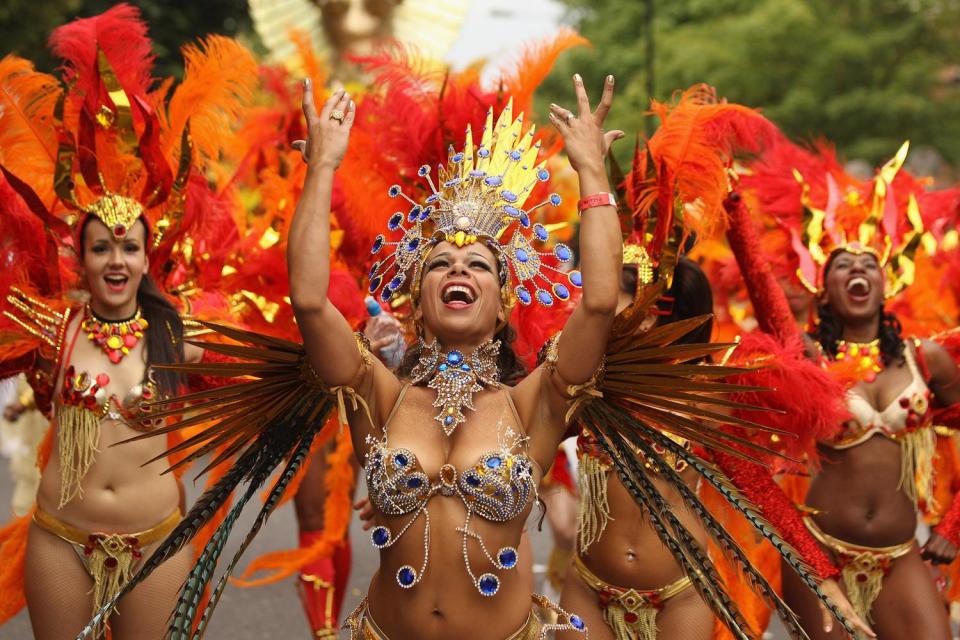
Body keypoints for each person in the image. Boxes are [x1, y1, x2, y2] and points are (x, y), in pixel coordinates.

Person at [286, 70, 623, 638]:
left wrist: (591, 172)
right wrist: (321, 168)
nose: (458, 268)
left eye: (478, 265)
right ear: (418, 299)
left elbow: (600, 303)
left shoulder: (534, 404)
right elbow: (309, 301)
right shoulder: (379, 396)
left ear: (502, 306)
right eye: (439, 262)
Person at [0, 6, 257, 637]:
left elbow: (285, 368)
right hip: (61, 540)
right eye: (101, 248)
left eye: (129, 247)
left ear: (148, 256)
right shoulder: (48, 329)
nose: (116, 259)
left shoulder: (182, 336)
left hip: (156, 543)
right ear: (80, 258)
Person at [740, 138, 960, 639]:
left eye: (868, 264)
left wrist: (952, 527)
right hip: (821, 553)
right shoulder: (811, 358)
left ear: (887, 283)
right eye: (842, 264)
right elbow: (761, 287)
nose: (857, 269)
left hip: (901, 552)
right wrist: (735, 209)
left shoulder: (927, 358)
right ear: (824, 287)